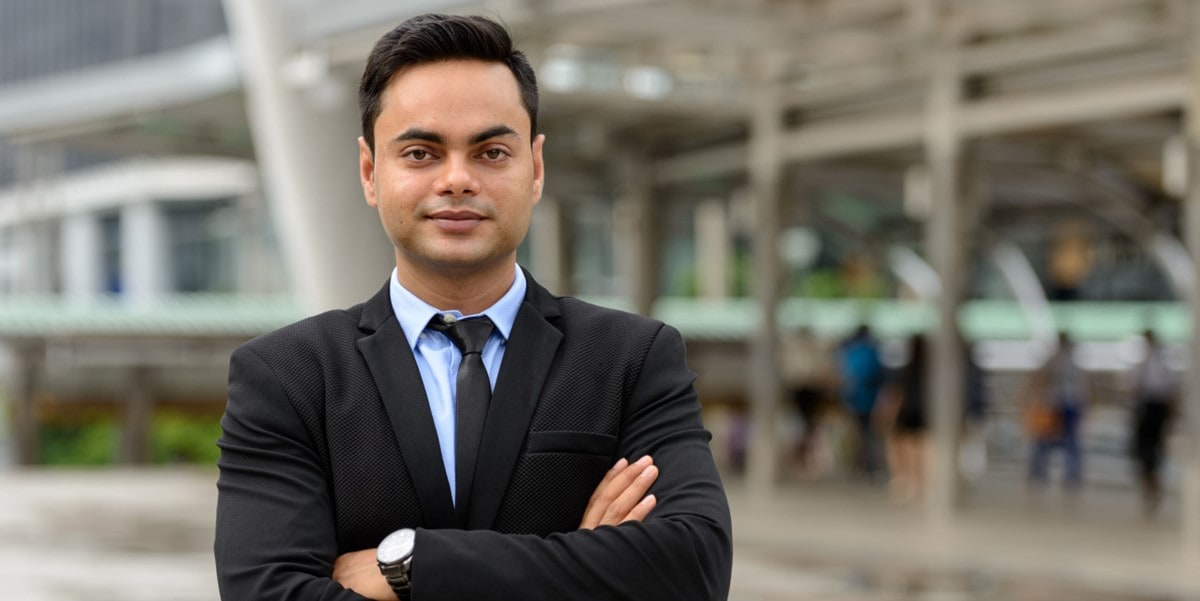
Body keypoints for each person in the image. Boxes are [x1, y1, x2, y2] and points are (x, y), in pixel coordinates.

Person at [214, 14, 732, 601]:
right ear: (369, 172)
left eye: (490, 151)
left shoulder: (632, 360)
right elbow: (266, 594)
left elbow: (694, 568)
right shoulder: (288, 377)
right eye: (419, 152)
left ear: (534, 168)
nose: (457, 179)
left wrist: (408, 561)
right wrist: (586, 564)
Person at [1027, 332, 1088, 492]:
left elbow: (1081, 389)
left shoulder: (1071, 365)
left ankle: (1068, 476)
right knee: (1046, 441)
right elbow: (1037, 380)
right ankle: (1041, 474)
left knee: (1068, 442)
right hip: (1054, 405)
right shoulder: (1054, 363)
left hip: (1067, 405)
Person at [1129, 329, 1177, 516]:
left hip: (1156, 408)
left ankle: (1153, 482)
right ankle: (1149, 482)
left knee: (1153, 448)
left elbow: (1169, 391)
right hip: (1146, 407)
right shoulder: (1143, 363)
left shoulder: (1162, 364)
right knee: (1143, 449)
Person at [877, 334, 928, 503]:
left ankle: (906, 480)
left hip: (907, 412)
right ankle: (918, 482)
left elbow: (896, 393)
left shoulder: (906, 369)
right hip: (924, 412)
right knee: (920, 450)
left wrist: (887, 413)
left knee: (904, 448)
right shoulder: (932, 371)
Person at [837, 324, 884, 478]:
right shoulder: (872, 351)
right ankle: (868, 466)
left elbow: (845, 374)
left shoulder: (852, 351)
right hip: (870, 400)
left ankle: (859, 465)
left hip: (855, 400)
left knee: (858, 434)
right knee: (869, 435)